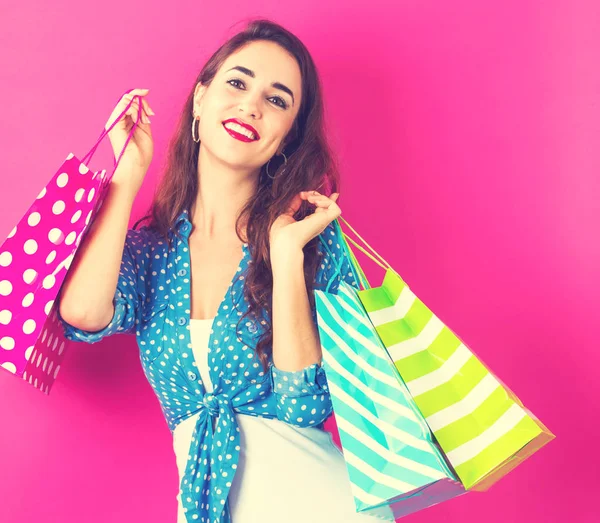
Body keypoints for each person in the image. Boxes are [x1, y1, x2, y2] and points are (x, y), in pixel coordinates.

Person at [57, 18, 395, 523]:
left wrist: (285, 257)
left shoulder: (310, 241)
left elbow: (305, 408)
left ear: (286, 138)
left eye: (277, 100)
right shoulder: (147, 252)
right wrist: (127, 175)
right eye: (237, 83)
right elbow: (82, 312)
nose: (252, 105)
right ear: (200, 100)